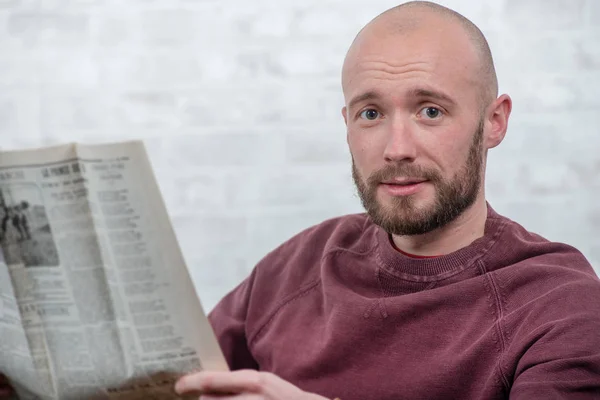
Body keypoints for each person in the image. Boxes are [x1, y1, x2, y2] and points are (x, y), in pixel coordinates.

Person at [2, 1, 600, 399]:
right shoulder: (300, 263)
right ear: (346, 122)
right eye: (370, 112)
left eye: (430, 110)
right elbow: (183, 385)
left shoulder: (559, 307)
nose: (395, 147)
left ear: (494, 122)